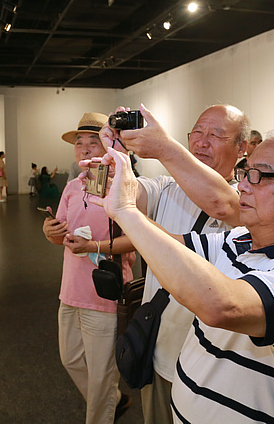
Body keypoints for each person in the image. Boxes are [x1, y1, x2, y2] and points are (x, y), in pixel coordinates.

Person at [92, 126, 274, 423]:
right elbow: (171, 250)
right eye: (246, 173)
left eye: (260, 176)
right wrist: (124, 182)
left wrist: (126, 211)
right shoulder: (238, 240)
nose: (243, 185)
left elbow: (222, 306)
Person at [102, 104, 247, 424]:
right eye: (197, 132)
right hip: (162, 354)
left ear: (242, 147)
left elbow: (222, 204)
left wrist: (164, 147)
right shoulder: (167, 187)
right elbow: (130, 195)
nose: (202, 141)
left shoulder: (249, 200)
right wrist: (117, 163)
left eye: (216, 134)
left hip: (217, 369)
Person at [42, 112, 136, 423]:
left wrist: (93, 247)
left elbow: (137, 240)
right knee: (70, 359)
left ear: (109, 146)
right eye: (79, 143)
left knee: (100, 376)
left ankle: (103, 410)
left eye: (93, 142)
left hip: (104, 293)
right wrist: (51, 232)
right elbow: (62, 235)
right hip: (70, 289)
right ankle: (114, 397)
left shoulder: (122, 188)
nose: (84, 148)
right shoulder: (72, 187)